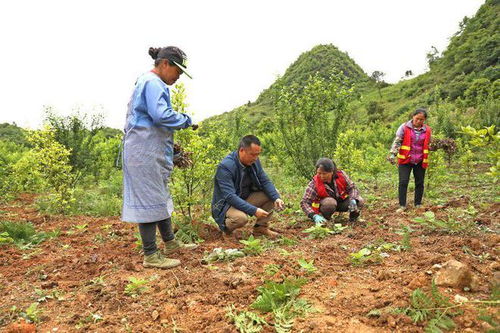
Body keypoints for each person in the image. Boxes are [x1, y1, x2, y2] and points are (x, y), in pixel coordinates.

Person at [122, 46, 198, 269]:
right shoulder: (153, 83)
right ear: (165, 64)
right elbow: (160, 115)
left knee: (158, 198)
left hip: (147, 150)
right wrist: (185, 120)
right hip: (143, 152)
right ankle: (151, 255)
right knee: (148, 201)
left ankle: (171, 244)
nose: (178, 77)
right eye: (178, 71)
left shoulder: (148, 83)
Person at [212, 135, 285, 239]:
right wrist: (254, 210)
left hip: (244, 198)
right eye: (252, 155)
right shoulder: (226, 167)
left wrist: (276, 198)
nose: (255, 158)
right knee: (240, 218)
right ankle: (226, 231)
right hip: (227, 205)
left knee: (273, 194)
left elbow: (264, 180)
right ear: (242, 150)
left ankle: (260, 228)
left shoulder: (254, 161)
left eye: (258, 155)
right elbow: (230, 196)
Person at [388, 108, 432, 212]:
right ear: (413, 116)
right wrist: (392, 155)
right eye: (417, 118)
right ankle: (402, 205)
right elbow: (397, 142)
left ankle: (418, 204)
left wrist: (435, 146)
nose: (419, 121)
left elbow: (428, 144)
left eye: (421, 119)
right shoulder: (404, 127)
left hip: (420, 160)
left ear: (424, 120)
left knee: (419, 182)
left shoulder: (428, 130)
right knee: (403, 182)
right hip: (406, 160)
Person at [300, 158, 364, 224]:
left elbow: (352, 188)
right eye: (319, 173)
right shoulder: (314, 183)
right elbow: (304, 202)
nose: (321, 176)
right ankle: (326, 220)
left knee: (359, 200)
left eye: (324, 173)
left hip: (341, 202)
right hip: (327, 205)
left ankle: (353, 219)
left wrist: (353, 199)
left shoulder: (341, 175)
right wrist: (313, 215)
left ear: (332, 172)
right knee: (330, 203)